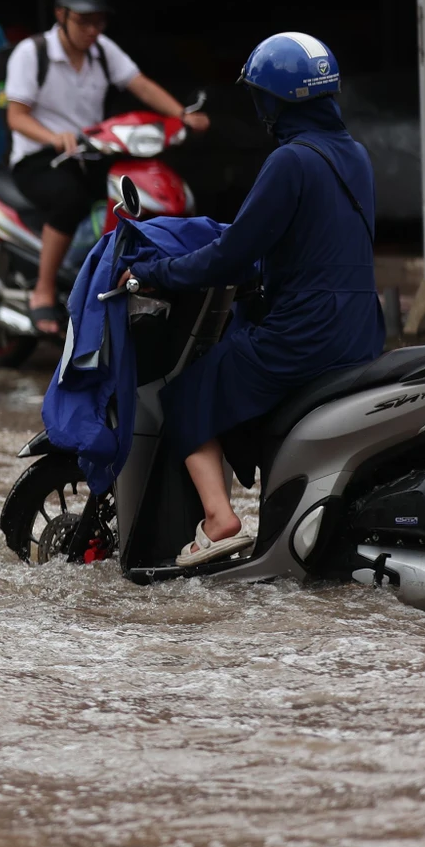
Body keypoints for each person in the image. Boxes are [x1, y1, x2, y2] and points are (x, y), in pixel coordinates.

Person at [123, 33, 382, 567]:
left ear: (275, 100)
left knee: (188, 395)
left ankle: (219, 521)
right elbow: (314, 240)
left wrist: (156, 271)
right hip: (361, 329)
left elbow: (229, 256)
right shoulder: (354, 155)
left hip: (305, 335)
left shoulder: (290, 162)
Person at [4, 0, 206, 336]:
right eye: (84, 21)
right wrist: (53, 137)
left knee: (139, 192)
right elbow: (16, 116)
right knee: (70, 199)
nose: (92, 29)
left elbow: (139, 84)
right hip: (40, 159)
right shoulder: (31, 53)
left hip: (93, 154)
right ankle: (43, 290)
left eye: (99, 21)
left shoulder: (101, 50)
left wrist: (182, 116)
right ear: (61, 15)